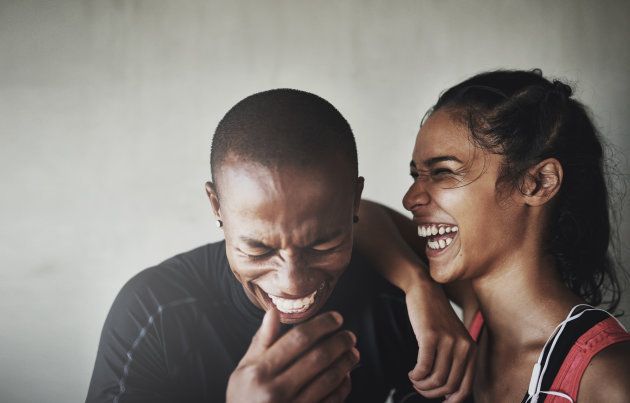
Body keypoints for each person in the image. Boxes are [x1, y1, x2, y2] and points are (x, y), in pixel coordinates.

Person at [85, 89, 475, 403]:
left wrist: (419, 285)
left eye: (323, 244)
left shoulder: (397, 306)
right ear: (217, 207)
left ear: (353, 202)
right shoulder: (154, 313)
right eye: (258, 250)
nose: (292, 282)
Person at [366, 69, 630, 402]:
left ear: (538, 182)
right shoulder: (478, 318)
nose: (410, 198)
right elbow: (353, 216)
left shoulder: (606, 377)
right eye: (416, 174)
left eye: (442, 172)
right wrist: (417, 286)